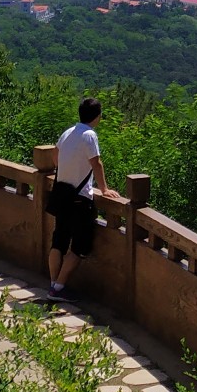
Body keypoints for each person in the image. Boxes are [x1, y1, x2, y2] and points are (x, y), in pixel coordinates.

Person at [48, 96, 117, 294]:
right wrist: (104, 189)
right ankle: (59, 289)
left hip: (62, 193)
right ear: (97, 117)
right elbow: (96, 163)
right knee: (79, 246)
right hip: (80, 199)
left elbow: (55, 156)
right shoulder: (89, 135)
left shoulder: (68, 132)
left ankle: (53, 283)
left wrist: (68, 169)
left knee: (59, 241)